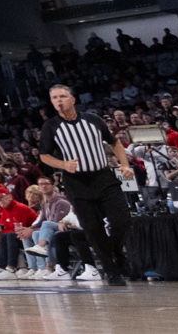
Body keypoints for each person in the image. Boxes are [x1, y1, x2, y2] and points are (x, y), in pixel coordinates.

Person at [37, 84, 133, 285]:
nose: (58, 100)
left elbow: (114, 142)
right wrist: (63, 164)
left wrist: (124, 164)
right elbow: (44, 156)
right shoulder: (51, 126)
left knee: (122, 219)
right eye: (54, 98)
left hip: (104, 177)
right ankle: (111, 269)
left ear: (72, 99)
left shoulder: (93, 119)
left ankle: (115, 250)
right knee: (92, 229)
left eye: (62, 96)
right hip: (76, 183)